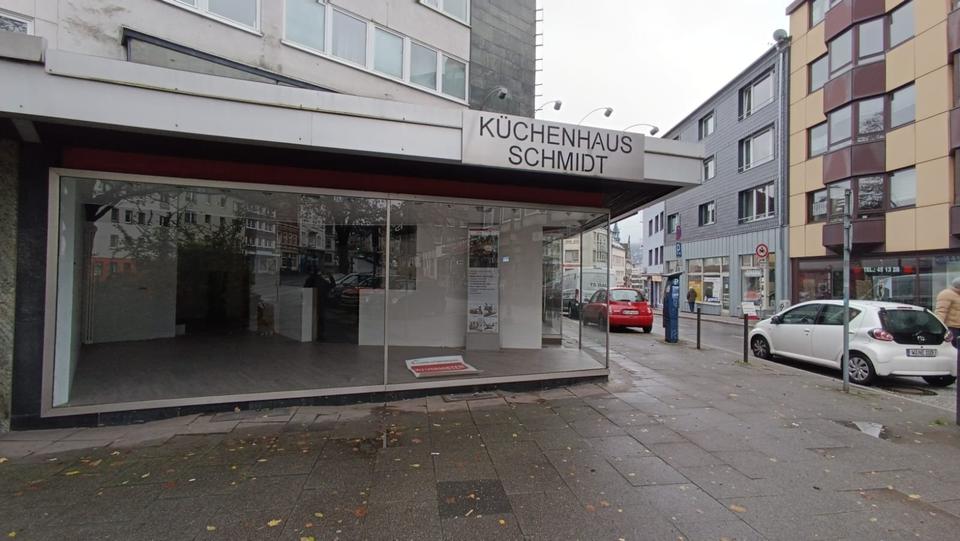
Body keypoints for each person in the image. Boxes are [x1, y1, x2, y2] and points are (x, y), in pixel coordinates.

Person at [935, 277, 960, 346]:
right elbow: (941, 312)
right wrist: (938, 328)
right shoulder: (946, 294)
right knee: (954, 348)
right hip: (952, 328)